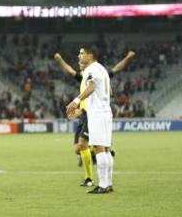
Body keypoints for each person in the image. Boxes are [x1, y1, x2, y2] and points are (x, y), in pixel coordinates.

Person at [54, 51, 135, 187]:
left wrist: (127, 58)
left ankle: (92, 180)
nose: (79, 61)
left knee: (90, 146)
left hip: (92, 113)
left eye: (82, 57)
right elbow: (70, 71)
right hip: (87, 113)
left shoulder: (95, 73)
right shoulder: (86, 76)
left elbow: (116, 69)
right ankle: (97, 177)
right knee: (78, 149)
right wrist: (60, 60)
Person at [66, 46, 114, 194]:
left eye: (82, 53)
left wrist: (76, 101)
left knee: (99, 148)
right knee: (105, 149)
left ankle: (103, 185)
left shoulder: (90, 70)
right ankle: (109, 183)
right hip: (106, 111)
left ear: (90, 55)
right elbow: (110, 91)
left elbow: (91, 87)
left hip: (97, 113)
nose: (79, 56)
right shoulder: (102, 69)